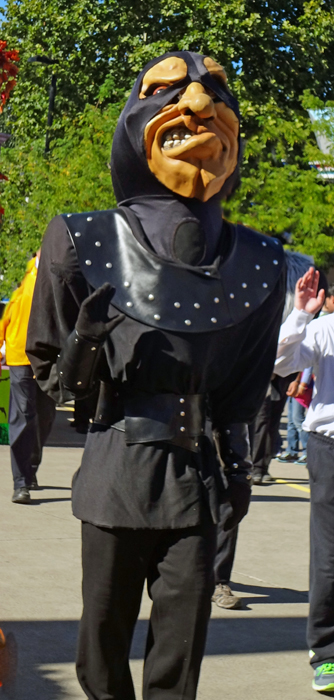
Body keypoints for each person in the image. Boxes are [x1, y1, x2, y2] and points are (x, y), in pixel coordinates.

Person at [26, 51, 286, 700]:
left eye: (214, 89)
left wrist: (238, 469)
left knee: (179, 659)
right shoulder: (80, 239)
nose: (198, 102)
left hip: (195, 480)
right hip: (116, 469)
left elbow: (244, 387)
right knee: (101, 649)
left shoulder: (257, 259)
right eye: (168, 89)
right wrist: (85, 345)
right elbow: (54, 378)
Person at [275, 266, 334, 693]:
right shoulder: (324, 329)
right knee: (329, 553)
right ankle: (327, 652)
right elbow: (279, 362)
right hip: (329, 447)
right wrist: (300, 313)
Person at [0, 254, 55, 504]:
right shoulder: (25, 282)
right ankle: (20, 482)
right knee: (22, 416)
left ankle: (30, 467)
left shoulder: (60, 280)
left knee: (44, 417)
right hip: (20, 358)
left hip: (49, 360)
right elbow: (6, 319)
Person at [278, 368, 312, 465]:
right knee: (291, 421)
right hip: (293, 384)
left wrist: (302, 384)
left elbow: (308, 368)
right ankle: (292, 450)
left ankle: (307, 452)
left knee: (298, 420)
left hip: (302, 386)